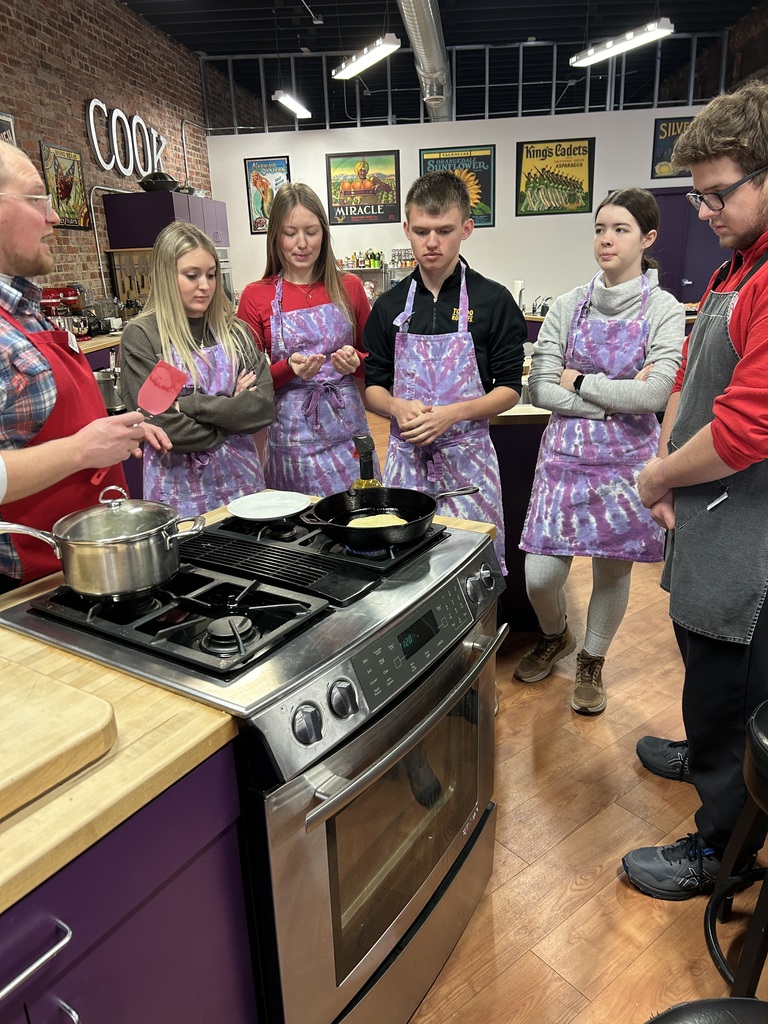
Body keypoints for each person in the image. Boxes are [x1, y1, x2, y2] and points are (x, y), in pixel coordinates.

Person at [622, 80, 768, 900]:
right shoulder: (735, 267)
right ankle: (708, 751)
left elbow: (745, 429)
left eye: (720, 194)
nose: (705, 211)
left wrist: (656, 475)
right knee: (703, 661)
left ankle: (724, 849)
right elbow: (687, 374)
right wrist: (668, 462)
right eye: (698, 195)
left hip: (749, 531)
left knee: (733, 677)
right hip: (705, 505)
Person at [515, 189, 685, 715]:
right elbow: (541, 388)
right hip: (563, 459)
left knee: (613, 570)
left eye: (620, 229)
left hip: (627, 467)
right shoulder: (569, 305)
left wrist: (582, 381)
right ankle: (556, 633)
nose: (606, 240)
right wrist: (612, 401)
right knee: (541, 576)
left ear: (648, 238)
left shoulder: (664, 309)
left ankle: (592, 659)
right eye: (600, 229)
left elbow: (656, 394)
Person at [0, 140, 171, 590]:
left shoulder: (27, 312)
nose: (55, 216)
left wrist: (116, 433)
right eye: (35, 198)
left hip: (85, 568)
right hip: (27, 586)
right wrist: (79, 450)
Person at [363, 170, 525, 572]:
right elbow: (373, 388)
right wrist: (396, 407)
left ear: (466, 228)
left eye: (444, 230)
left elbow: (509, 389)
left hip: (470, 463)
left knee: (476, 568)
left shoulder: (493, 301)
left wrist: (452, 414)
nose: (431, 242)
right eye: (421, 231)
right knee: (408, 568)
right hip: (407, 464)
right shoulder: (389, 306)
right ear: (406, 229)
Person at [120, 222, 274, 517]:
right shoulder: (147, 337)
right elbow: (167, 429)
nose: (205, 285)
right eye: (192, 276)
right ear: (166, 276)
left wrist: (189, 404)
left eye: (211, 275)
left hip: (244, 487)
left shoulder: (235, 332)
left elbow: (262, 409)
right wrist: (232, 411)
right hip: (179, 497)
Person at [237, 183, 374, 495]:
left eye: (311, 232)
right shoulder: (256, 296)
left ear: (324, 233)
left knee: (358, 513)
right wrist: (288, 368)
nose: (302, 244)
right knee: (299, 522)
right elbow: (248, 383)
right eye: (290, 233)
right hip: (291, 441)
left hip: (348, 433)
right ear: (275, 236)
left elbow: (376, 364)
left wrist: (356, 363)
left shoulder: (350, 287)